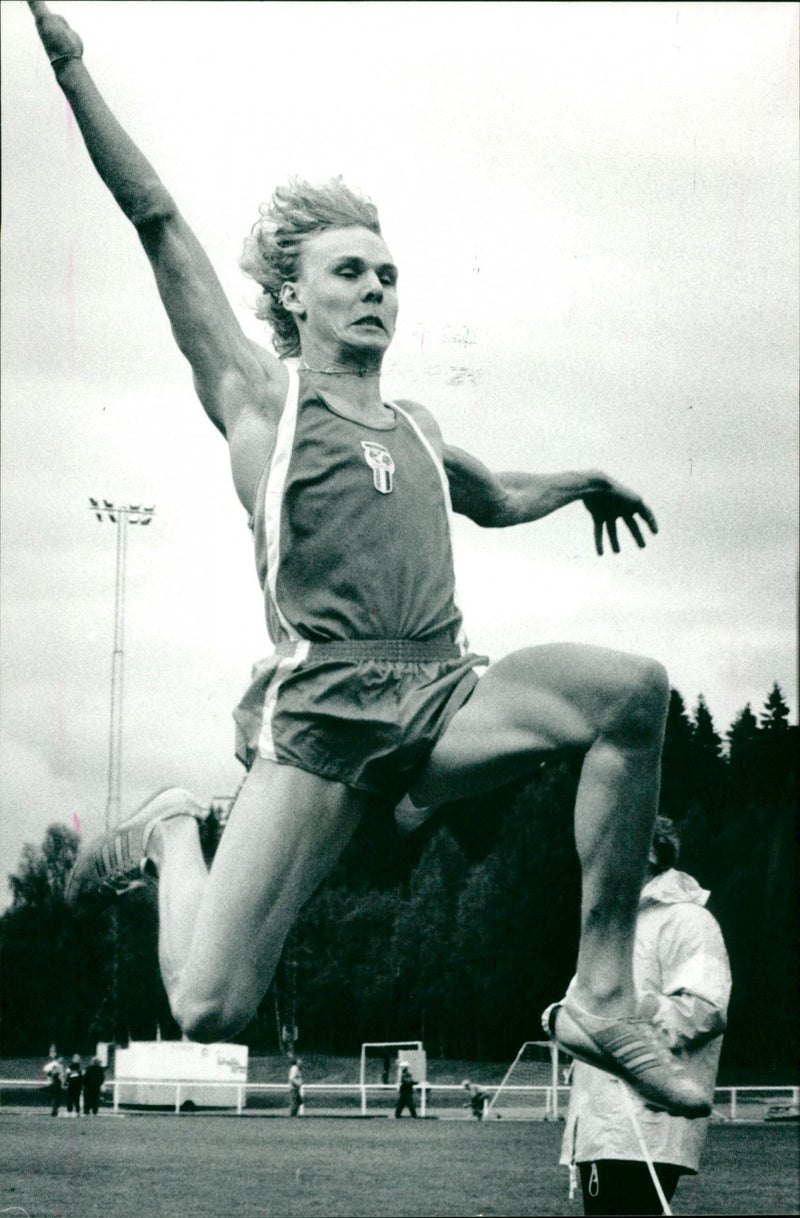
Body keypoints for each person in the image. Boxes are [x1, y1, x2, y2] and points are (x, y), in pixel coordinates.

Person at [30, 1, 706, 1119]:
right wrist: (70, 74)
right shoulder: (260, 401)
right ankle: (171, 832)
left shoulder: (422, 430)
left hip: (438, 691)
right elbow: (152, 218)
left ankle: (599, 994)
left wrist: (580, 481)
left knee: (630, 692)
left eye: (388, 275)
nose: (376, 291)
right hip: (325, 718)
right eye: (349, 272)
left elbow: (492, 498)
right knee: (211, 1009)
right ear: (294, 296)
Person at [555, 817, 732, 1215]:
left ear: (649, 851)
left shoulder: (687, 919)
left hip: (643, 1125)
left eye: (609, 845)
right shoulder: (611, 931)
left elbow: (703, 1008)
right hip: (602, 1128)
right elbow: (583, 1018)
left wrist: (625, 1025)